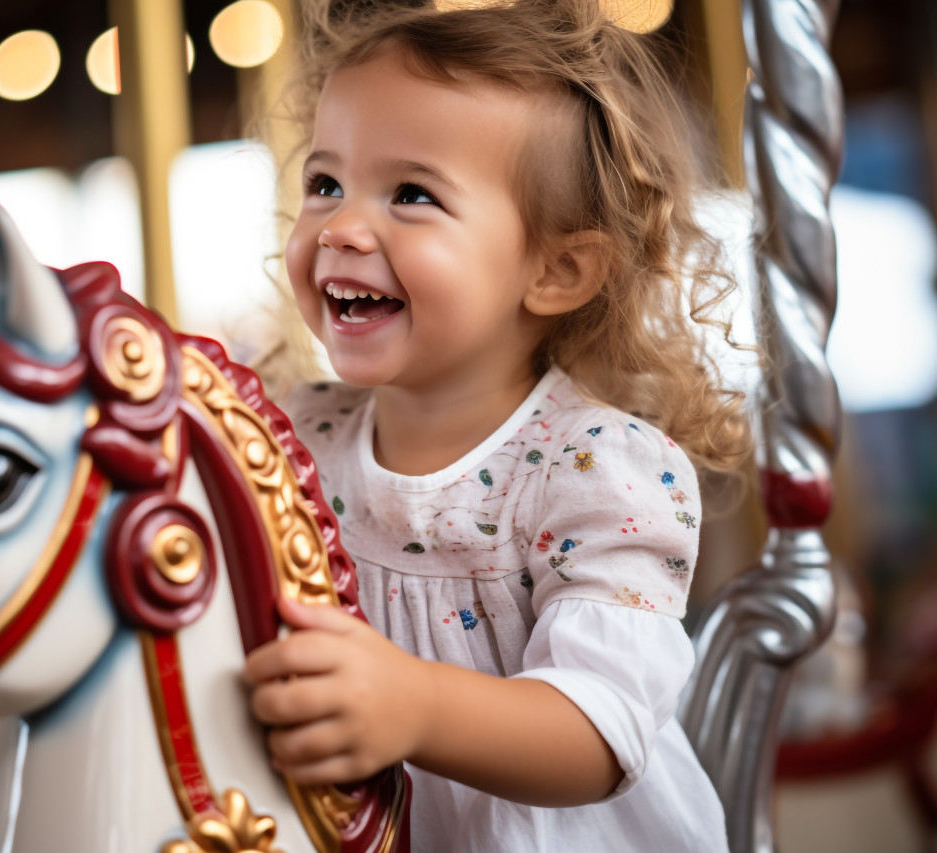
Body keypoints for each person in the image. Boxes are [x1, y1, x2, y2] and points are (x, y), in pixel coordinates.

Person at [243, 1, 752, 850]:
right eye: (325, 182)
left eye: (411, 194)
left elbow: (598, 732)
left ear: (557, 269)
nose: (340, 226)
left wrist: (412, 705)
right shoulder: (293, 437)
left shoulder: (596, 469)